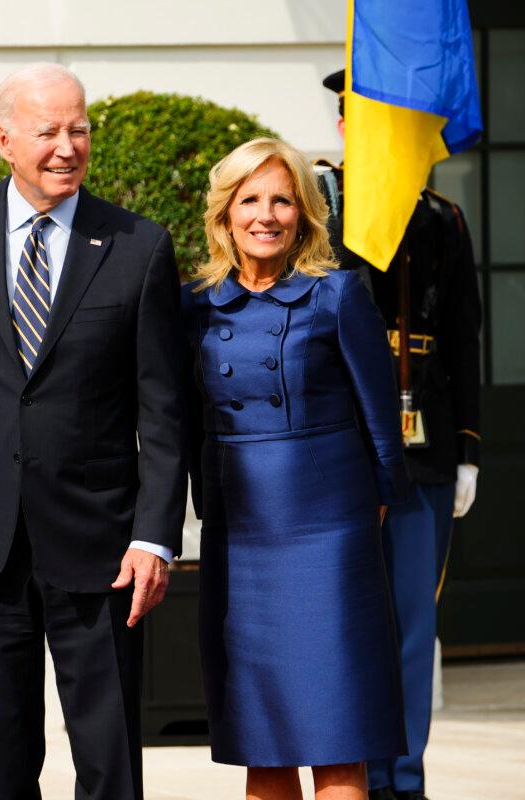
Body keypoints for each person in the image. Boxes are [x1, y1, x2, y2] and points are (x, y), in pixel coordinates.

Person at [0, 63, 185, 800]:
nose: (68, 146)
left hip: (103, 547)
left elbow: (164, 407)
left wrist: (155, 535)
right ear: (3, 139)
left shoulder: (138, 246)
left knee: (108, 756)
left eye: (80, 129)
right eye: (48, 131)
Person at [183, 137, 408, 800]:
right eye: (250, 200)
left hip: (331, 535)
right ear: (225, 215)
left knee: (338, 737)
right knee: (264, 741)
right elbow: (182, 415)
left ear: (305, 215)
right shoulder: (195, 304)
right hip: (243, 534)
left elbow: (379, 415)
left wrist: (381, 502)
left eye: (283, 200)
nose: (267, 215)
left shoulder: (336, 295)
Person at [318, 68, 483, 800]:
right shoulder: (319, 205)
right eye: (367, 119)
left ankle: (402, 779)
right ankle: (353, 772)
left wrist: (471, 450)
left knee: (412, 626)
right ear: (345, 128)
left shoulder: (442, 218)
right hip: (337, 445)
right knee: (350, 624)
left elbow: (463, 341)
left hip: (425, 444)